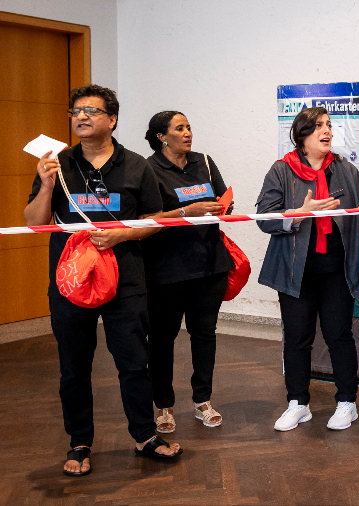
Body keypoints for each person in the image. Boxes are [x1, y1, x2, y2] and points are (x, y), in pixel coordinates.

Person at [24, 84, 183, 477]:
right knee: (73, 366)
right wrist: (45, 185)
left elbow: (155, 220)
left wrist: (122, 235)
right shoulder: (56, 164)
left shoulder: (136, 166)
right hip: (71, 280)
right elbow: (33, 222)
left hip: (125, 278)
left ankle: (145, 436)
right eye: (76, 110)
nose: (81, 116)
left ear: (112, 119)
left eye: (92, 111)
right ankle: (79, 442)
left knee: (133, 362)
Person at [256, 106, 359, 432]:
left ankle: (346, 402)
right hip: (294, 271)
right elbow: (264, 218)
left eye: (329, 125)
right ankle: (298, 403)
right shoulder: (281, 170)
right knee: (297, 338)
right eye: (318, 127)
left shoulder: (346, 170)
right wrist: (300, 212)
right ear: (302, 135)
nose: (326, 131)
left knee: (338, 335)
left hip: (337, 270)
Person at [141, 111, 235, 433]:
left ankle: (202, 401)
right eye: (179, 128)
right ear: (161, 136)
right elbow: (146, 217)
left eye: (189, 127)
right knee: (162, 340)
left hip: (209, 266)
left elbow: (222, 197)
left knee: (205, 334)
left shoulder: (204, 162)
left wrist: (223, 207)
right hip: (165, 270)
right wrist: (186, 212)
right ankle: (164, 405)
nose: (187, 133)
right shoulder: (149, 169)